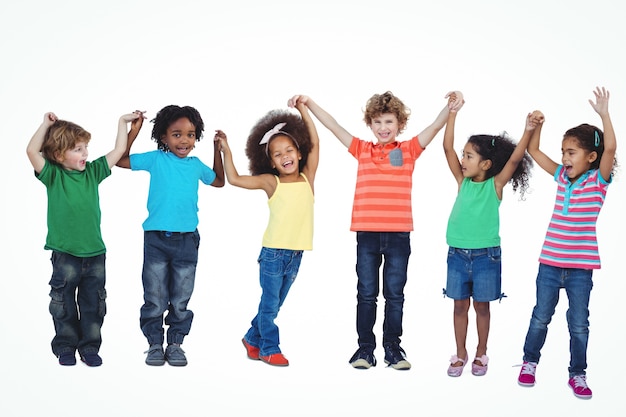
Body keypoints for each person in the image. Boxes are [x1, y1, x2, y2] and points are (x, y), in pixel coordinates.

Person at [296, 90, 463, 370]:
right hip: (367, 236)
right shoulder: (362, 150)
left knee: (395, 295)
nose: (383, 128)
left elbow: (435, 127)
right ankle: (365, 349)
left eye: (388, 122)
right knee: (366, 293)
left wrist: (451, 108)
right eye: (377, 122)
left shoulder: (407, 150)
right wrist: (308, 104)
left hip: (398, 236)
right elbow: (333, 125)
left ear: (399, 124)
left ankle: (393, 348)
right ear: (370, 125)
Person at [517, 87, 617, 399]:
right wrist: (537, 125)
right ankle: (529, 362)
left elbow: (611, 149)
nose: (564, 157)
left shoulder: (597, 182)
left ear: (591, 157)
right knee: (540, 317)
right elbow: (534, 152)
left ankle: (578, 374)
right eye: (563, 151)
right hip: (549, 264)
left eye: (571, 152)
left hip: (580, 270)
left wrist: (604, 114)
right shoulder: (562, 177)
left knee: (578, 324)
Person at [26, 110, 140, 366]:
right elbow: (32, 152)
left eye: (86, 147)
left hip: (95, 253)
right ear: (58, 155)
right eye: (78, 149)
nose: (85, 154)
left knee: (93, 304)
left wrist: (122, 122)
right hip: (65, 253)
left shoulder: (93, 172)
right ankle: (65, 346)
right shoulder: (53, 176)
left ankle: (89, 347)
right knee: (63, 303)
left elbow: (119, 149)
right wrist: (45, 125)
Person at [116, 105, 225, 366]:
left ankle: (175, 343)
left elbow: (219, 181)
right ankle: (154, 343)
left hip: (187, 240)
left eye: (190, 134)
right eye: (176, 134)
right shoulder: (156, 159)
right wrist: (134, 132)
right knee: (154, 296)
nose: (184, 140)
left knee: (180, 298)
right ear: (163, 137)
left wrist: (216, 149)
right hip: (156, 239)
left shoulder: (196, 165)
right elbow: (120, 160)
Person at [216, 97, 319, 366]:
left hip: (296, 254)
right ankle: (269, 347)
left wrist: (303, 111)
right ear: (271, 162)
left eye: (289, 150)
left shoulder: (308, 176)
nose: (285, 156)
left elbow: (316, 142)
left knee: (274, 304)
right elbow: (236, 179)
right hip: (273, 254)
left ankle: (252, 338)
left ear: (299, 152)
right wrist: (226, 150)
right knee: (270, 305)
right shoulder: (271, 182)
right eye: (277, 154)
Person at [442, 95, 538, 377]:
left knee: (482, 308)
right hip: (457, 255)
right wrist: (452, 114)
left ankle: (481, 352)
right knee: (460, 306)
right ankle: (460, 353)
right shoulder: (462, 182)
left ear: (486, 164)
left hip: (486, 257)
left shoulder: (495, 186)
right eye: (464, 155)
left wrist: (528, 129)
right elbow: (447, 147)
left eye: (469, 156)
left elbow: (516, 157)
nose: (462, 159)